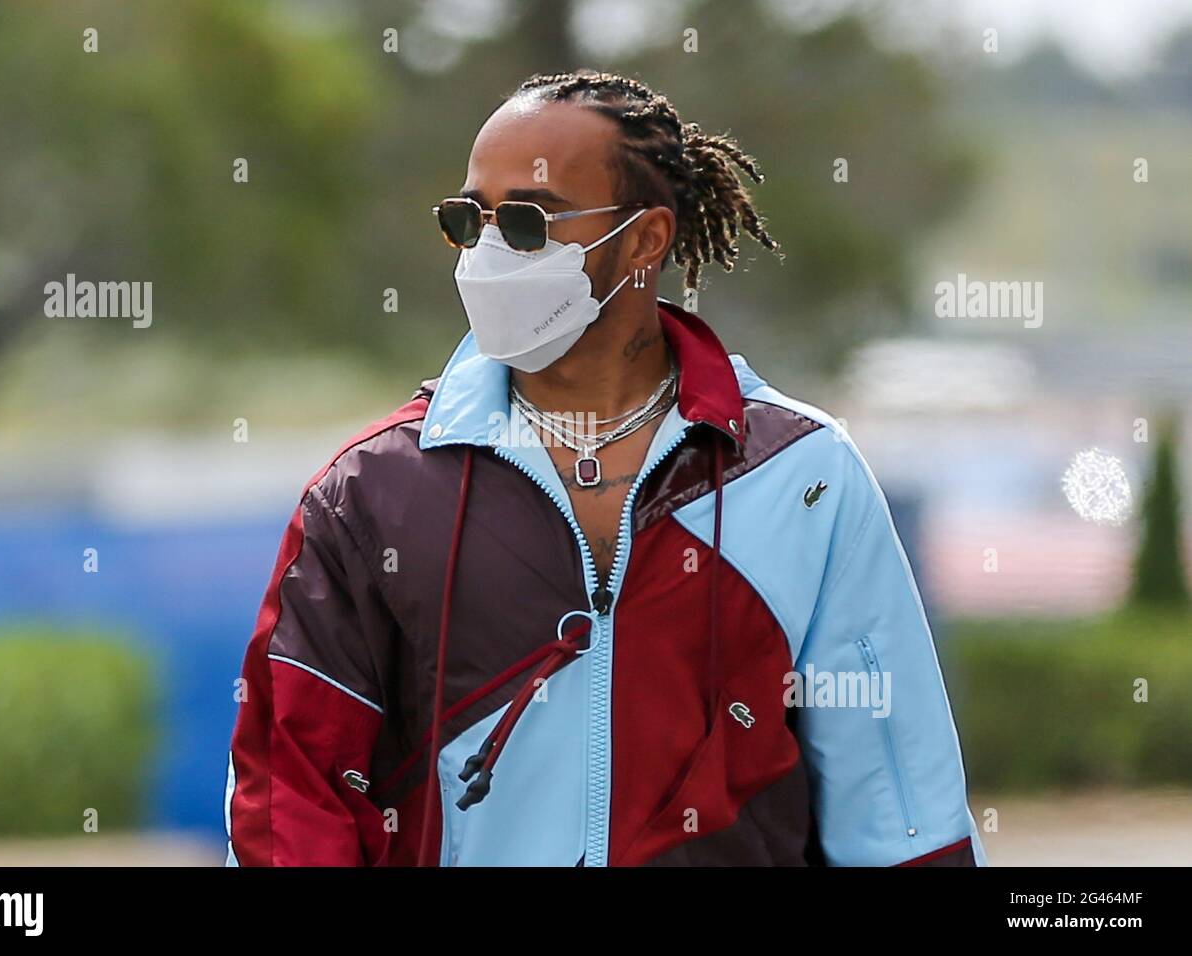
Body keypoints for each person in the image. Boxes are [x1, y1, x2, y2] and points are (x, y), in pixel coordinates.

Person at [224, 69, 985, 867]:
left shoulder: (803, 476)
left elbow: (898, 806)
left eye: (526, 222)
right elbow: (291, 793)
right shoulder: (371, 493)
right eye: (466, 219)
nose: (488, 252)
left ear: (644, 239)